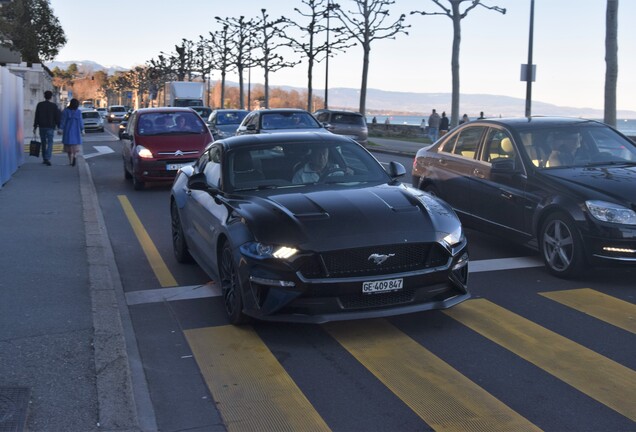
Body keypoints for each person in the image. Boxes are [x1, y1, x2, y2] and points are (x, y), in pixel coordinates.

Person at [33, 90, 61, 166]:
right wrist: (59, 127)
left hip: (42, 126)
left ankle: (44, 158)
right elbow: (57, 117)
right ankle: (47, 158)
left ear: (44, 96)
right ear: (51, 97)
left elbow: (37, 116)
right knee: (50, 142)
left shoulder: (40, 105)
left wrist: (35, 126)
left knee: (43, 142)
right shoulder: (54, 106)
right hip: (50, 127)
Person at [59, 98, 84, 166]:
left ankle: (70, 161)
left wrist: (61, 128)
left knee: (69, 148)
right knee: (75, 146)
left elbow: (63, 121)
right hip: (76, 131)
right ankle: (75, 156)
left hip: (68, 131)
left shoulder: (65, 111)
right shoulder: (78, 112)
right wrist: (82, 129)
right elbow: (81, 121)